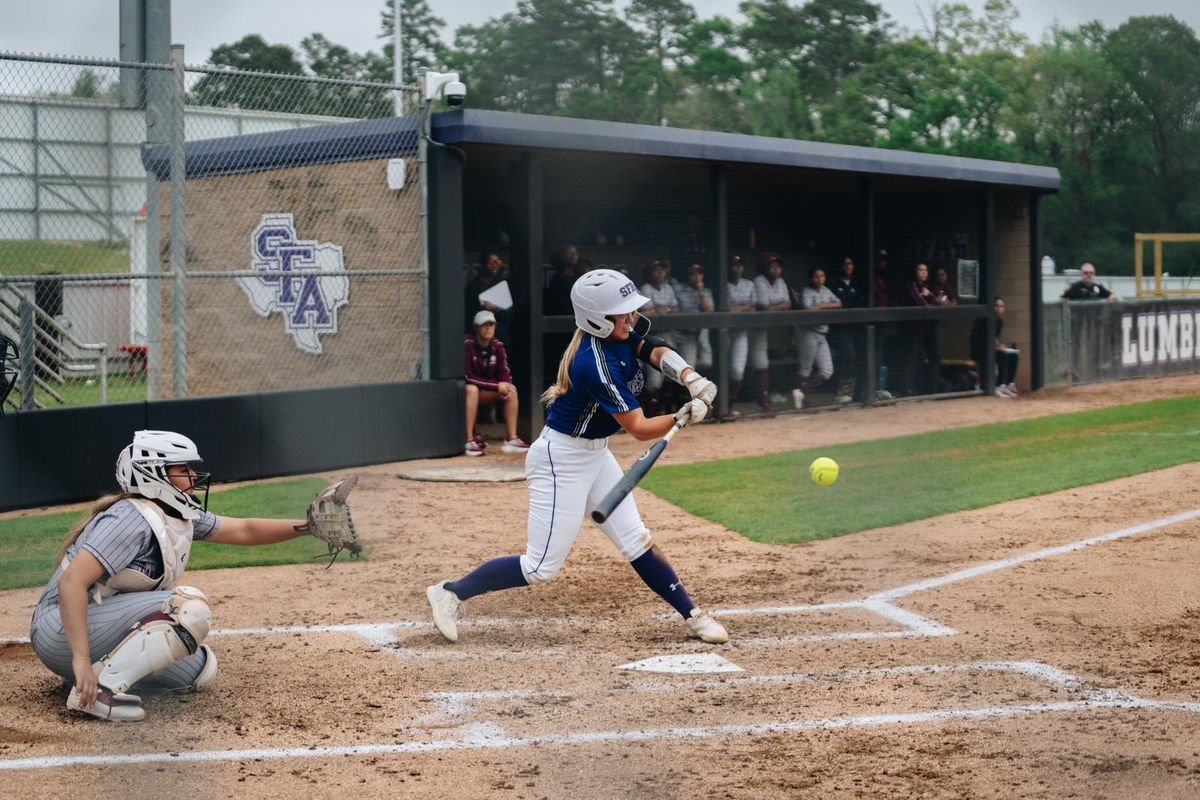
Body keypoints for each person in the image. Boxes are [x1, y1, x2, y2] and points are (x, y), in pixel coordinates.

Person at [425, 269, 729, 645]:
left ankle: (692, 615)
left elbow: (652, 348)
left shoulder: (618, 334)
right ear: (597, 318)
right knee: (539, 567)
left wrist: (689, 377)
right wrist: (683, 414)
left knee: (636, 540)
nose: (630, 319)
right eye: (622, 313)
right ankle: (450, 592)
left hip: (596, 454)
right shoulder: (593, 362)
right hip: (561, 459)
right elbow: (637, 427)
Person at [28, 430, 322, 722]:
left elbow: (243, 529)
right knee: (187, 609)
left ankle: (90, 675)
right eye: (183, 469)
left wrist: (309, 526)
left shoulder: (175, 513)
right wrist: (79, 659)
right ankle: (97, 691)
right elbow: (71, 583)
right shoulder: (129, 519)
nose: (194, 477)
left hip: (92, 623)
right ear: (154, 475)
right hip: (58, 629)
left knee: (200, 668)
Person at [464, 310, 530, 456]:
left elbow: (504, 373)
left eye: (491, 325)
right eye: (484, 325)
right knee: (471, 389)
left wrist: (505, 386)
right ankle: (469, 440)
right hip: (468, 393)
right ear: (476, 328)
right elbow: (467, 377)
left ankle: (511, 439)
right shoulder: (467, 344)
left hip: (487, 391)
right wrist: (496, 386)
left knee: (511, 389)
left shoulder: (497, 346)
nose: (488, 328)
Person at [793, 267, 841, 409]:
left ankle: (801, 392)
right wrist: (822, 307)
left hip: (821, 333)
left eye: (822, 276)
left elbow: (839, 303)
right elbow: (807, 308)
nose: (819, 279)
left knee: (827, 370)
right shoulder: (806, 291)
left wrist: (823, 305)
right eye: (816, 276)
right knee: (805, 369)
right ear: (811, 278)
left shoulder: (826, 290)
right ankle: (803, 401)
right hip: (807, 332)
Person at [638, 260, 680, 415]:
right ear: (649, 273)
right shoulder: (645, 288)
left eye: (662, 270)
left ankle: (666, 410)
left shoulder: (668, 287)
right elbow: (647, 311)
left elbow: (675, 309)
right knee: (654, 381)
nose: (660, 273)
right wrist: (661, 309)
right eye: (656, 270)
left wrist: (662, 309)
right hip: (651, 337)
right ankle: (649, 414)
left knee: (671, 374)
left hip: (668, 334)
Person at [752, 252, 792, 413]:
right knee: (756, 364)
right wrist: (779, 306)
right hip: (754, 328)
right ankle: (761, 401)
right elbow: (763, 306)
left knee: (764, 362)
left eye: (778, 266)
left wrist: (775, 307)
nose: (776, 269)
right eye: (771, 266)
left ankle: (765, 399)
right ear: (764, 268)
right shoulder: (759, 281)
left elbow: (788, 303)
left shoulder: (781, 281)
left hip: (770, 329)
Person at [901, 261, 942, 396]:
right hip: (915, 329)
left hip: (929, 328)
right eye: (920, 270)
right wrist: (927, 298)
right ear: (915, 272)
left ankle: (932, 388)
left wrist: (929, 295)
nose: (923, 272)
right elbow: (921, 303)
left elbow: (939, 303)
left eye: (925, 270)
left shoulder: (929, 286)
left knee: (935, 356)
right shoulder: (911, 285)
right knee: (913, 358)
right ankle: (908, 389)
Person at [828, 256, 863, 404]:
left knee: (856, 357)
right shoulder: (833, 283)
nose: (848, 266)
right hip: (838, 328)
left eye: (850, 263)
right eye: (845, 264)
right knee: (848, 355)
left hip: (854, 328)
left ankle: (852, 393)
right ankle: (841, 392)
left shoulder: (857, 283)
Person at [970, 296, 1020, 397]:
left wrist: (1000, 344)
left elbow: (994, 338)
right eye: (996, 306)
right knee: (1003, 355)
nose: (999, 308)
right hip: (980, 350)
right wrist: (997, 346)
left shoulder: (999, 321)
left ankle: (1008, 384)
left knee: (1014, 354)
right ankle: (999, 385)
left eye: (1001, 306)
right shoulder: (984, 319)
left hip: (990, 349)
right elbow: (983, 338)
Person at [726, 256, 756, 411]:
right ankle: (716, 404)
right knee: (720, 369)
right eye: (734, 265)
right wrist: (744, 307)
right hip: (722, 333)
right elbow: (725, 308)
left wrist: (738, 308)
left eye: (740, 265)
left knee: (737, 371)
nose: (737, 268)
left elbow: (754, 306)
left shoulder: (749, 284)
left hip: (741, 332)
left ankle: (729, 405)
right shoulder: (722, 284)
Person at [674, 263, 715, 372]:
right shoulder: (678, 289)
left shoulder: (706, 291)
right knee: (686, 368)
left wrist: (700, 292)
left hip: (701, 331)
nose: (697, 276)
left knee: (707, 362)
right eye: (693, 274)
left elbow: (709, 311)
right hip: (683, 332)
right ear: (688, 275)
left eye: (699, 273)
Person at [465, 251, 513, 343]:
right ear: (483, 265)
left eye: (497, 263)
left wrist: (496, 308)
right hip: (479, 337)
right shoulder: (473, 286)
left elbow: (510, 313)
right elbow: (468, 313)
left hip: (499, 335)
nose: (495, 266)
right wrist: (482, 308)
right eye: (491, 263)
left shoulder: (502, 285)